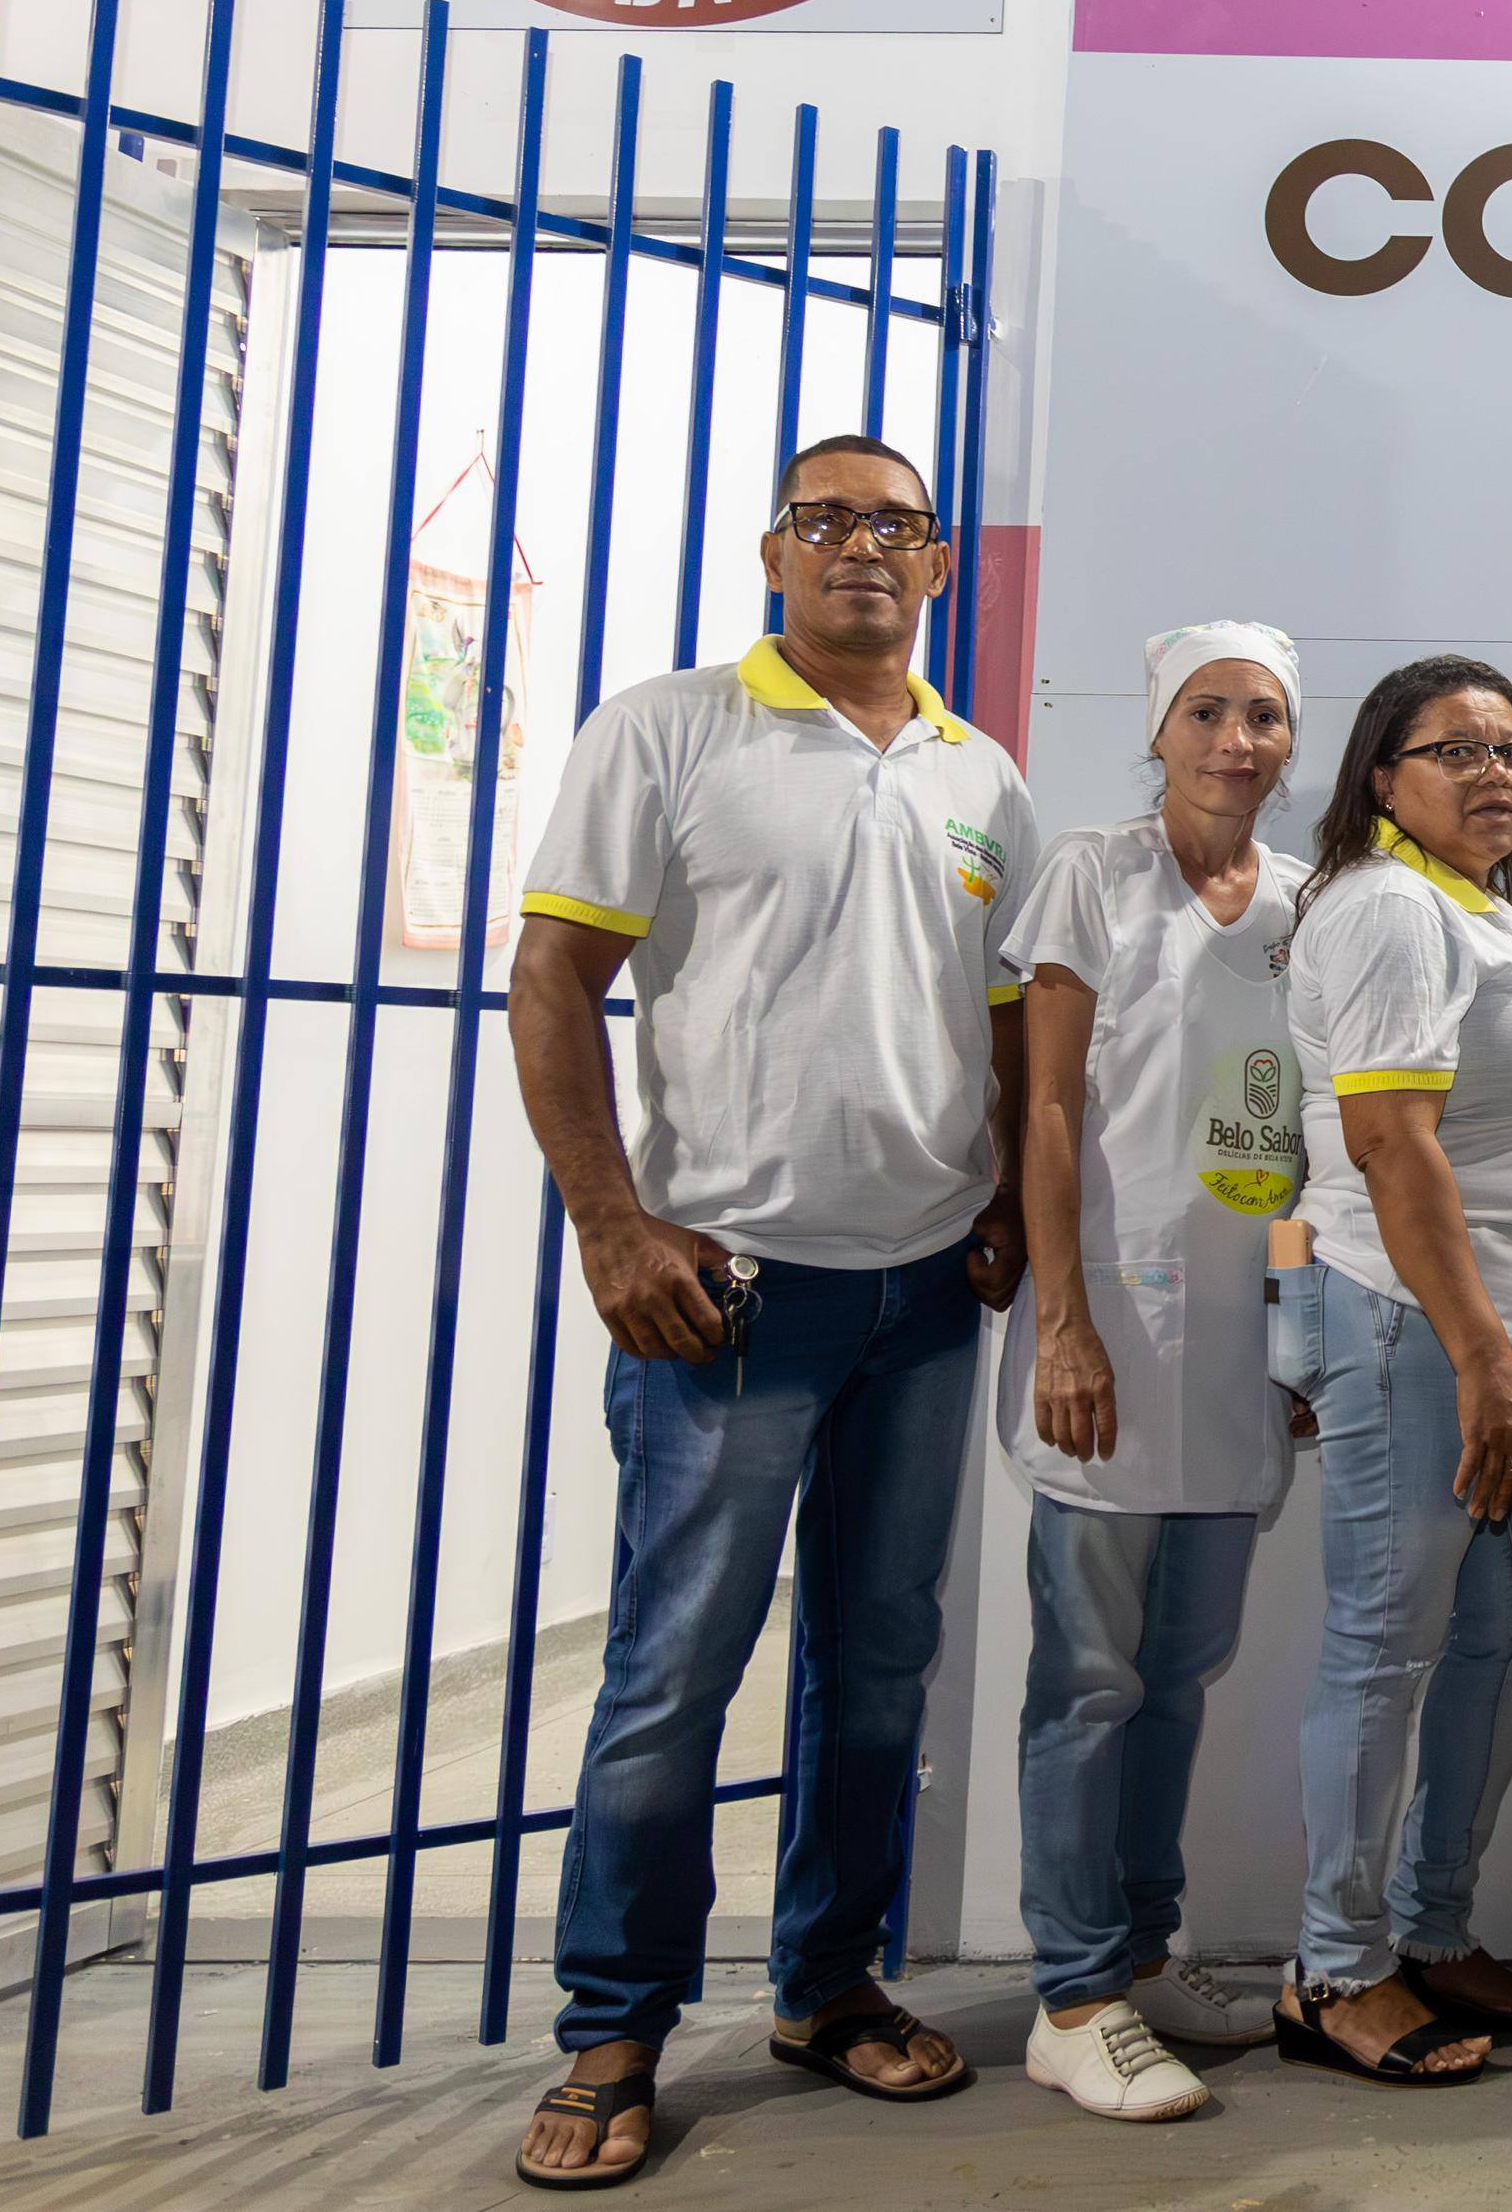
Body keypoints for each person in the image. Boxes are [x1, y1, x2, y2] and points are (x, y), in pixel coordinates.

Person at [502, 436, 1032, 2189]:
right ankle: (615, 2025)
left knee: (878, 1663)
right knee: (673, 1671)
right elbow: (555, 972)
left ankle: (828, 1979)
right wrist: (610, 1218)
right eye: (827, 518)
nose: (860, 543)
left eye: (895, 523)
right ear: (773, 550)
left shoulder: (980, 774)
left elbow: (1012, 1019)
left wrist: (1007, 1205)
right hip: (724, 1288)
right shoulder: (669, 730)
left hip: (926, 1291)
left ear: (935, 565)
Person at [998, 624, 1310, 2121]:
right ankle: (1070, 1995)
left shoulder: (1310, 902)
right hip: (1113, 1334)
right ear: (1158, 727)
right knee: (1088, 1680)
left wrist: (1303, 1341)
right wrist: (1064, 1320)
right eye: (1207, 710)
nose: (1235, 739)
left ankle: (1138, 1947)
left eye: (1263, 715)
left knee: (1177, 1675)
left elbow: (1311, 1135)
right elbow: (1048, 1108)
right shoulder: (1091, 873)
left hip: (1241, 1346)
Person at [1273, 655, 1512, 2087]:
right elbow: (1390, 1145)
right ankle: (1334, 1967)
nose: (1495, 772)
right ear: (1382, 776)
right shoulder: (1389, 906)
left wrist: (1505, 1351)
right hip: (1417, 1327)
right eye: (1456, 749)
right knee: (1385, 1641)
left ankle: (1429, 1925)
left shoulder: (1473, 907)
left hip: (1498, 1339)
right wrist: (1479, 1356)